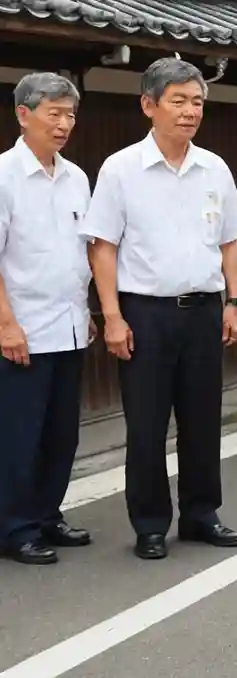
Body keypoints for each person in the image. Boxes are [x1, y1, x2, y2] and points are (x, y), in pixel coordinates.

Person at [82, 58, 237, 561]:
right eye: (178, 101)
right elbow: (103, 247)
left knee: (203, 419)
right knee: (148, 424)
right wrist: (111, 315)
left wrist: (234, 301)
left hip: (202, 310)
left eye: (197, 102)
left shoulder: (214, 168)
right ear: (148, 105)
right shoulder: (120, 169)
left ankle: (201, 514)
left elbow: (230, 242)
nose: (190, 111)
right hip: (144, 313)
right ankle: (151, 523)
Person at [0, 73, 94, 566]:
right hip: (24, 329)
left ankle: (47, 512)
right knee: (20, 433)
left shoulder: (77, 177)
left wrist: (89, 310)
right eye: (53, 113)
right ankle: (15, 527)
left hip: (70, 323)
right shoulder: (4, 176)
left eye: (70, 114)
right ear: (23, 114)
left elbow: (84, 251)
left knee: (62, 432)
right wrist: (6, 324)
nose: (63, 124)